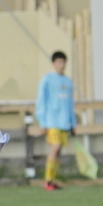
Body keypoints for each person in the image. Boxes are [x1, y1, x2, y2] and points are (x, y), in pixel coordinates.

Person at [35, 51, 76, 191]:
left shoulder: (68, 82)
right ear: (53, 63)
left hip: (64, 123)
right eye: (59, 62)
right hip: (52, 121)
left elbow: (70, 104)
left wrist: (73, 123)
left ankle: (52, 180)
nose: (61, 65)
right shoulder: (47, 79)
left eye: (63, 62)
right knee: (56, 146)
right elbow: (41, 101)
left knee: (58, 152)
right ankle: (47, 180)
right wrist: (42, 122)